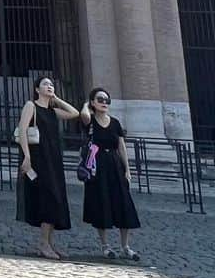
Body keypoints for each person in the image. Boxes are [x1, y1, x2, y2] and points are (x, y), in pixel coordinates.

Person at [15, 75, 80, 258]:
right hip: (38, 158)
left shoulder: (53, 111)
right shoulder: (31, 106)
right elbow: (22, 130)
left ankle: (50, 243)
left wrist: (56, 99)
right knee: (48, 198)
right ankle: (43, 244)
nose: (49, 86)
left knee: (56, 198)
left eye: (51, 84)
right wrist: (26, 156)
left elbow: (74, 113)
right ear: (37, 89)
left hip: (53, 159)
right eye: (45, 84)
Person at [79, 87, 140, 260]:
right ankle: (105, 246)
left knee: (124, 204)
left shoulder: (115, 123)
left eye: (107, 100)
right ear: (92, 102)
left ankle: (125, 246)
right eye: (100, 99)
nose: (104, 102)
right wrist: (86, 105)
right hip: (97, 166)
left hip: (114, 164)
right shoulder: (90, 122)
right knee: (101, 203)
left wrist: (127, 169)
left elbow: (121, 146)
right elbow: (82, 115)